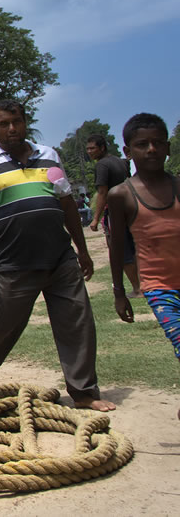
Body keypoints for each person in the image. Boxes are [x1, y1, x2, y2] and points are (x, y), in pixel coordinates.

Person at [0, 99, 115, 412]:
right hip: (13, 261)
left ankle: (84, 393)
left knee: (76, 322)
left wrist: (82, 250)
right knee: (4, 322)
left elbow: (68, 203)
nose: (11, 128)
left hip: (60, 257)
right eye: (3, 123)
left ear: (25, 121)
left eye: (16, 121)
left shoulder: (49, 156)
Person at [106, 113, 180, 420]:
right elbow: (118, 247)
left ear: (167, 148)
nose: (151, 149)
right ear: (128, 151)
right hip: (159, 287)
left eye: (158, 143)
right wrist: (120, 292)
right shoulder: (121, 195)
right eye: (142, 144)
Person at [87, 134, 141, 295]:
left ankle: (137, 288)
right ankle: (144, 284)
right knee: (134, 248)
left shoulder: (102, 165)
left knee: (120, 251)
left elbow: (103, 192)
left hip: (115, 213)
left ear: (102, 148)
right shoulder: (120, 161)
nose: (89, 152)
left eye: (92, 148)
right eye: (88, 149)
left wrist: (96, 218)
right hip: (131, 209)